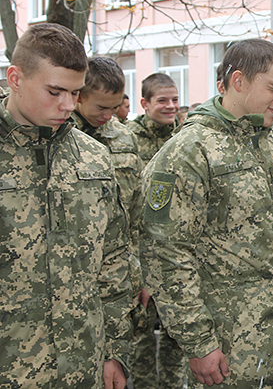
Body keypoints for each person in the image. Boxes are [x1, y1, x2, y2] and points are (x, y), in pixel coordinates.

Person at [141, 38, 273, 388]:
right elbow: (167, 256)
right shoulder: (189, 152)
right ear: (238, 81)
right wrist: (198, 342)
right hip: (233, 352)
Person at [0, 23, 132, 389]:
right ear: (15, 78)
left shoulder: (93, 157)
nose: (68, 106)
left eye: (75, 93)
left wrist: (114, 351)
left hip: (83, 366)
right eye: (55, 91)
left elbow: (113, 259)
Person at [71, 57, 146, 368]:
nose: (108, 116)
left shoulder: (123, 137)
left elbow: (136, 213)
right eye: (101, 108)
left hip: (119, 276)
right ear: (78, 95)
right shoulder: (59, 134)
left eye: (115, 108)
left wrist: (141, 273)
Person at [126, 72, 185, 388]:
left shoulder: (184, 138)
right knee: (141, 338)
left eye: (175, 99)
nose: (171, 106)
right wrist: (139, 271)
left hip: (176, 254)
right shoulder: (127, 141)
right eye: (163, 100)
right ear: (144, 103)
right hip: (140, 257)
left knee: (178, 335)